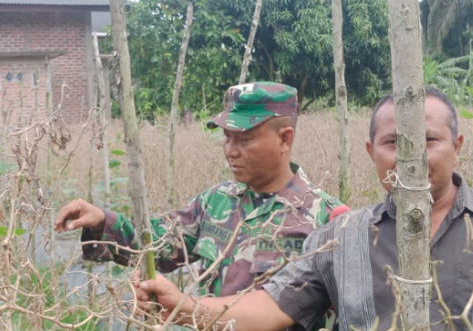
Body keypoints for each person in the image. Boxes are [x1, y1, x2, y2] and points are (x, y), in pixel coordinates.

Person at [137, 87, 473, 330]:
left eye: (427, 140)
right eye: (392, 143)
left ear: (456, 148)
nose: (409, 157)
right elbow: (271, 307)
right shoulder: (342, 238)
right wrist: (183, 305)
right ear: (372, 153)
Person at [54, 81, 345, 299]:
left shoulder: (325, 220)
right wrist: (103, 221)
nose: (231, 151)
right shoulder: (216, 202)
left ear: (285, 139)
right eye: (226, 137)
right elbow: (156, 247)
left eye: (244, 139)